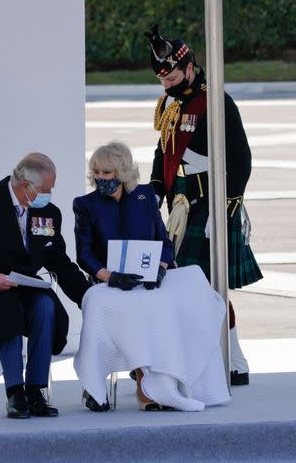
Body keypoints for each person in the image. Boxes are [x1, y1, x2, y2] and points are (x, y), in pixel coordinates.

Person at [73, 142, 230, 412]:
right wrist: (110, 277)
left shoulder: (145, 197)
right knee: (143, 307)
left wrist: (161, 266)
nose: (100, 178)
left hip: (149, 278)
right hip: (111, 281)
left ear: (122, 172)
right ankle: (141, 379)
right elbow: (84, 254)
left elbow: (164, 241)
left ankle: (168, 380)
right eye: (96, 171)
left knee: (179, 300)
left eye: (107, 173)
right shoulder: (85, 205)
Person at [146, 25, 260, 386]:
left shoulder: (216, 101)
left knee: (211, 288)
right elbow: (163, 149)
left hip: (210, 201)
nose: (167, 85)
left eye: (173, 76)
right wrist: (154, 189)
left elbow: (241, 159)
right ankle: (211, 357)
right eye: (163, 80)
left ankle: (233, 359)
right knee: (187, 285)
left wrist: (224, 208)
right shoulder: (170, 102)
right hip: (180, 202)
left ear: (190, 67)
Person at [0, 153, 90, 418]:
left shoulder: (47, 213)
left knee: (46, 306)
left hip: (25, 286)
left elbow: (58, 260)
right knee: (6, 308)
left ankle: (35, 390)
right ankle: (15, 392)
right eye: (46, 189)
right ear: (25, 186)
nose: (50, 194)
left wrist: (88, 296)